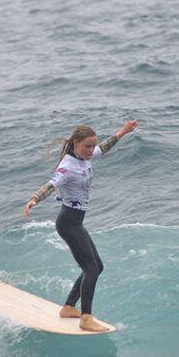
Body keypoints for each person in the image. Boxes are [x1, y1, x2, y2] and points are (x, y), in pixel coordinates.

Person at [24, 120, 138, 332]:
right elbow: (51, 185)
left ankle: (68, 307)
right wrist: (34, 200)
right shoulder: (68, 167)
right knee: (91, 268)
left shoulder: (85, 156)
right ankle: (86, 318)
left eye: (91, 146)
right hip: (68, 222)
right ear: (76, 143)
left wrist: (123, 131)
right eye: (87, 146)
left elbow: (103, 147)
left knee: (97, 267)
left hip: (76, 222)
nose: (91, 150)